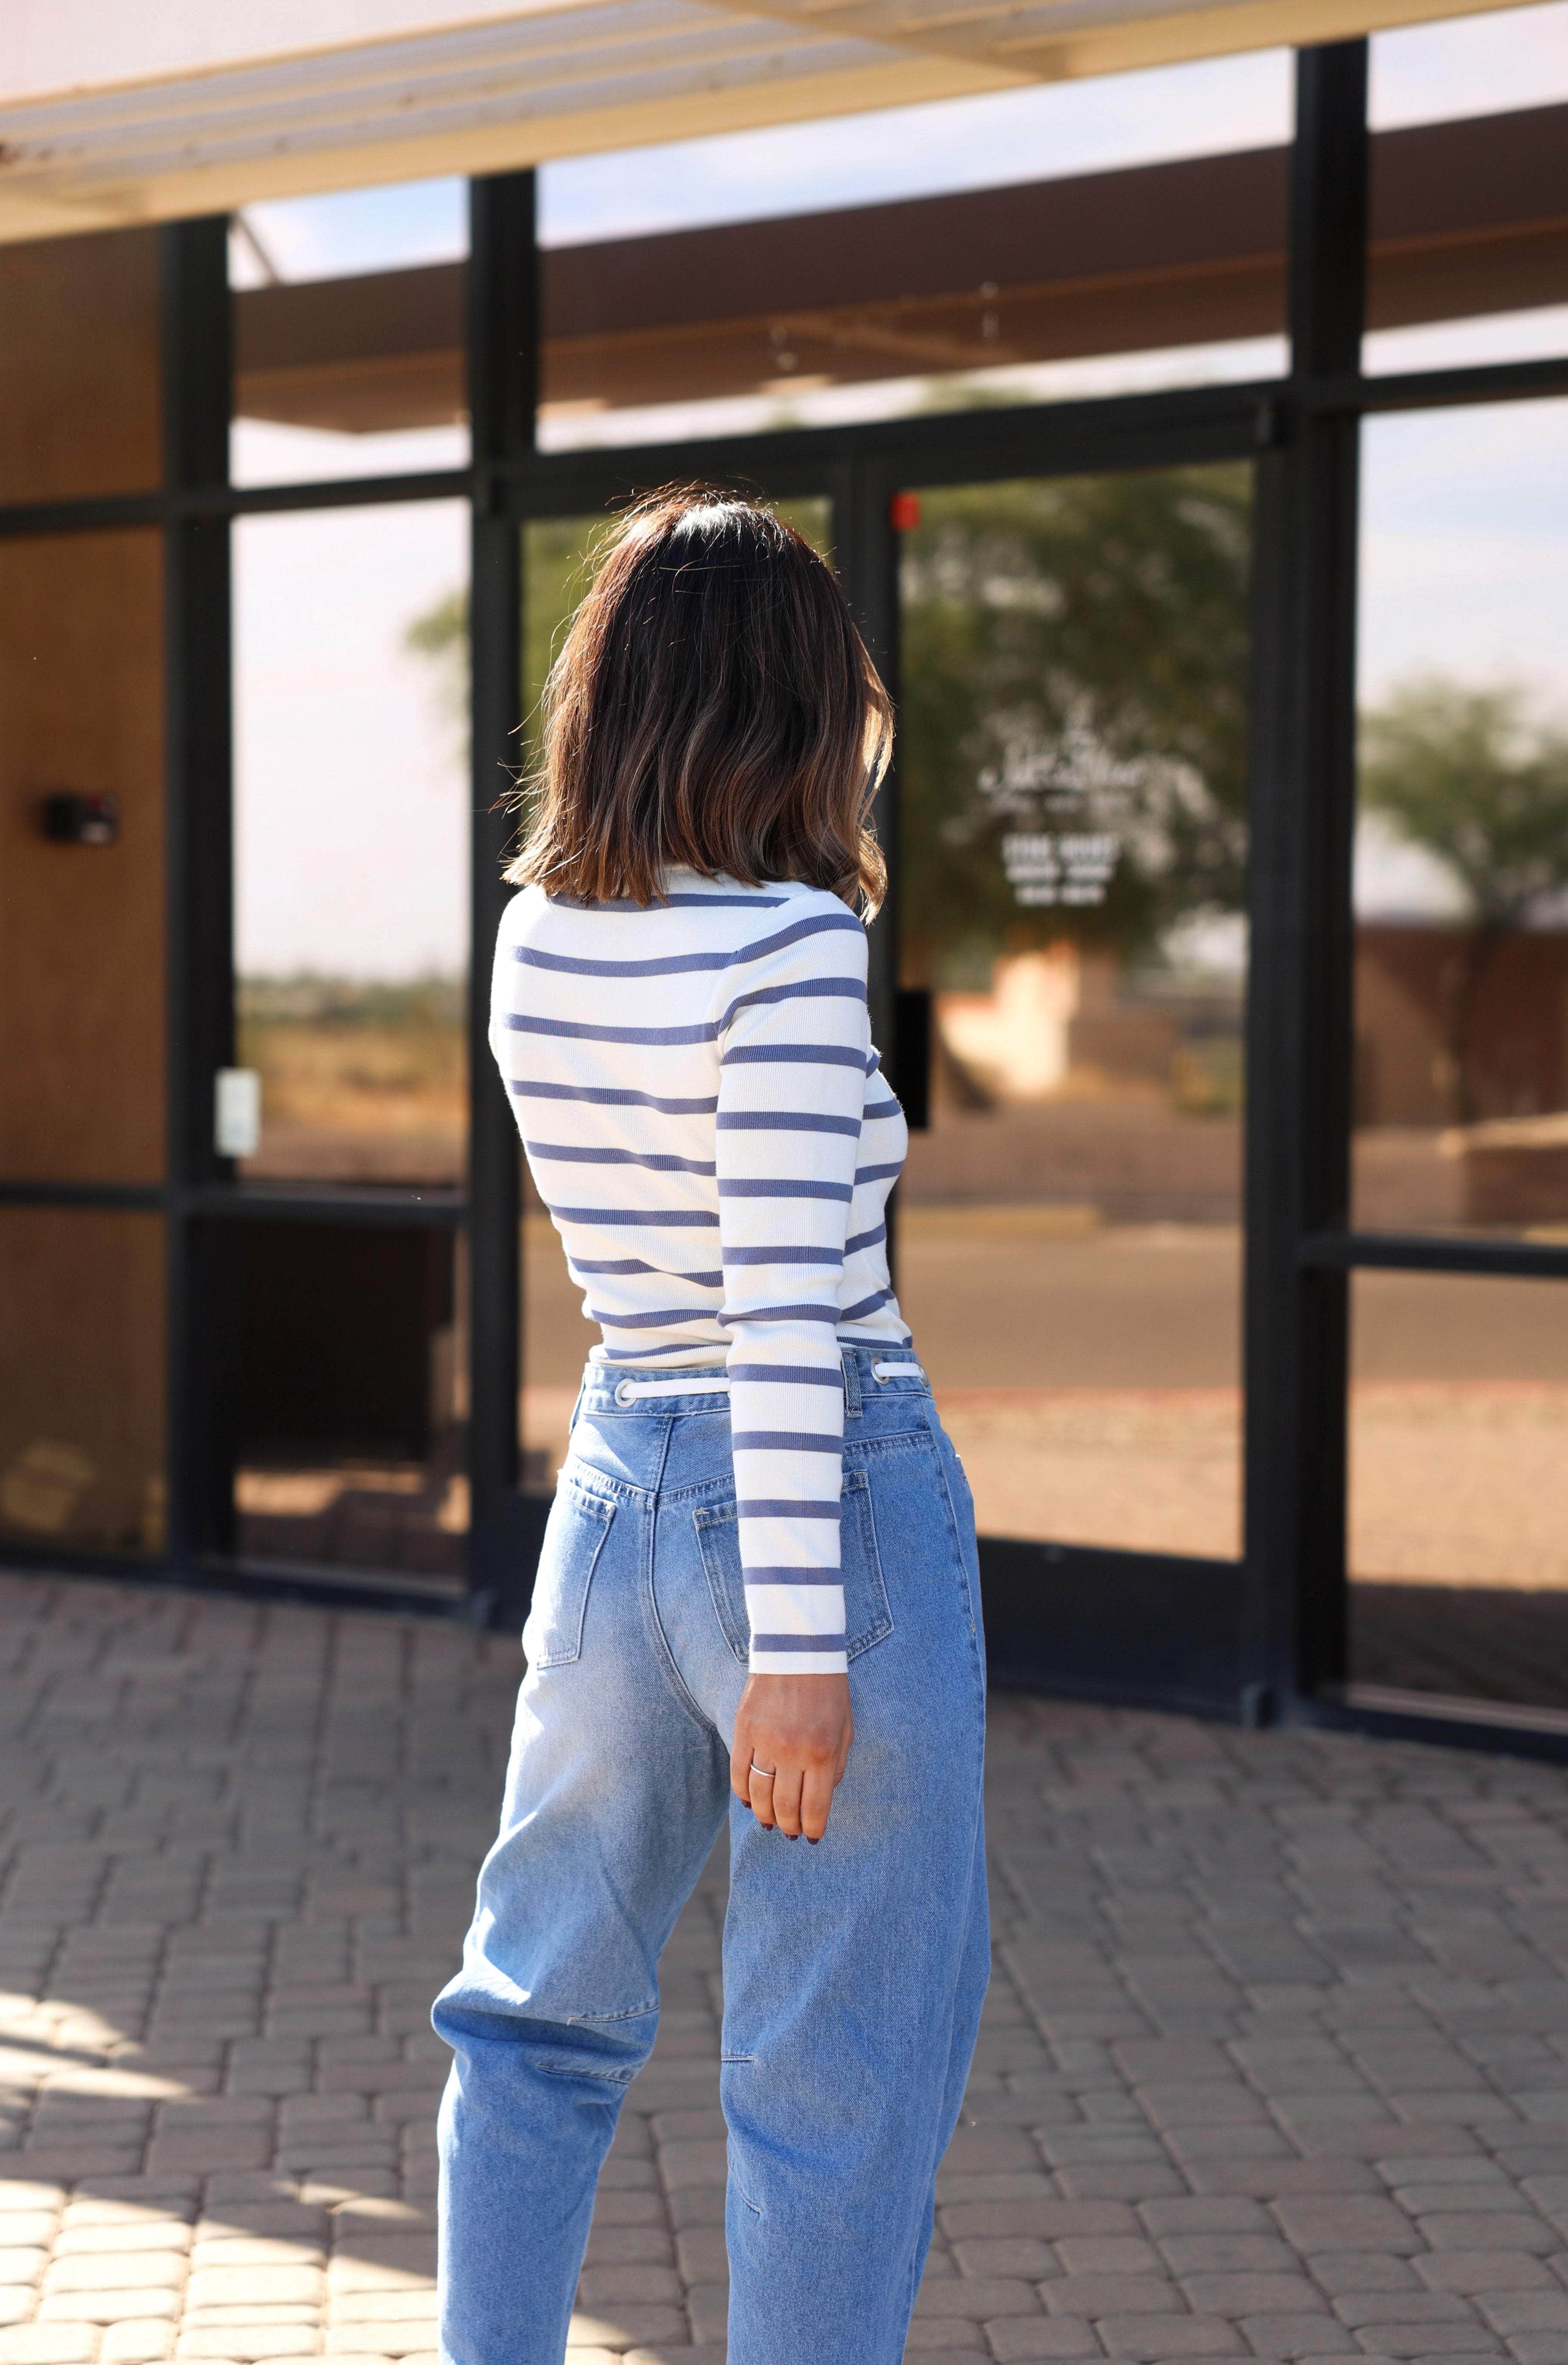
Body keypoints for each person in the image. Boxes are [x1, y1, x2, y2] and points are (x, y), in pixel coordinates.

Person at [432, 488, 988, 2365]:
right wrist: (803, 1659)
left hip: (614, 1489)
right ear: (794, 704)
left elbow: (661, 1267)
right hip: (816, 1480)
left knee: (531, 2014)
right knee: (834, 2068)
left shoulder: (530, 936)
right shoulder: (794, 947)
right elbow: (777, 1304)